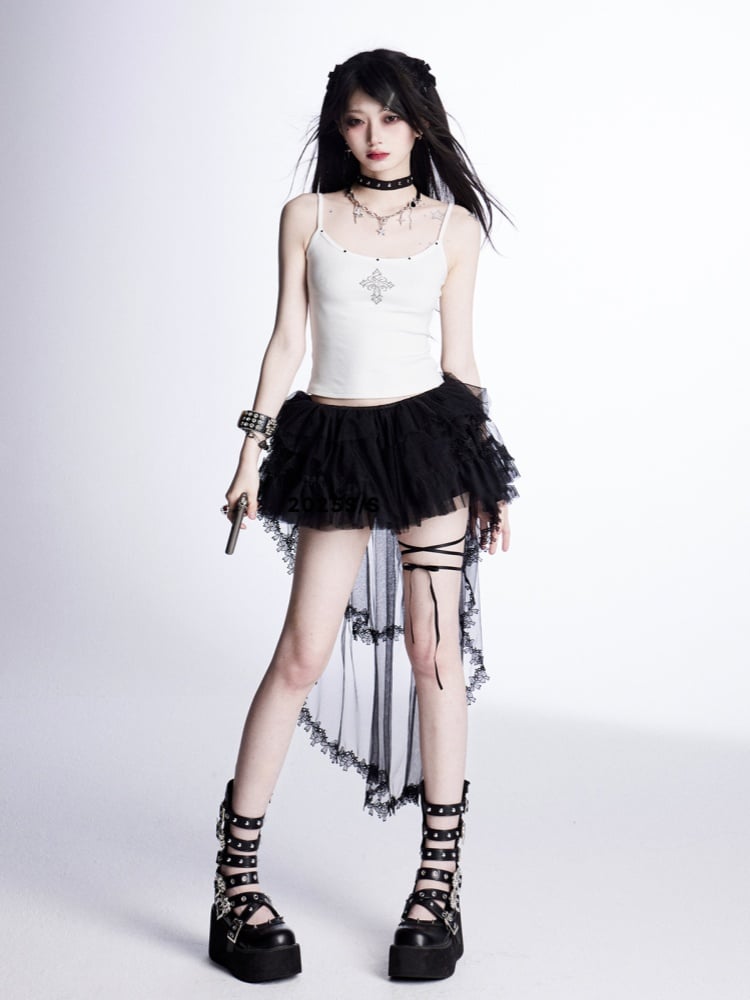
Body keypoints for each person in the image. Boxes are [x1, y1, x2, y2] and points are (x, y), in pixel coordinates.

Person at [210, 48, 519, 984]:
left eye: (390, 117)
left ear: (419, 122)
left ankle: (438, 885)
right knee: (302, 655)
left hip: (426, 446)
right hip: (336, 444)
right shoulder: (306, 216)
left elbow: (460, 360)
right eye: (356, 120)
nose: (374, 136)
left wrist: (488, 474)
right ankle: (234, 879)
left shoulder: (454, 228)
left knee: (433, 654)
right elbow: (286, 341)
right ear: (338, 129)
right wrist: (250, 455)